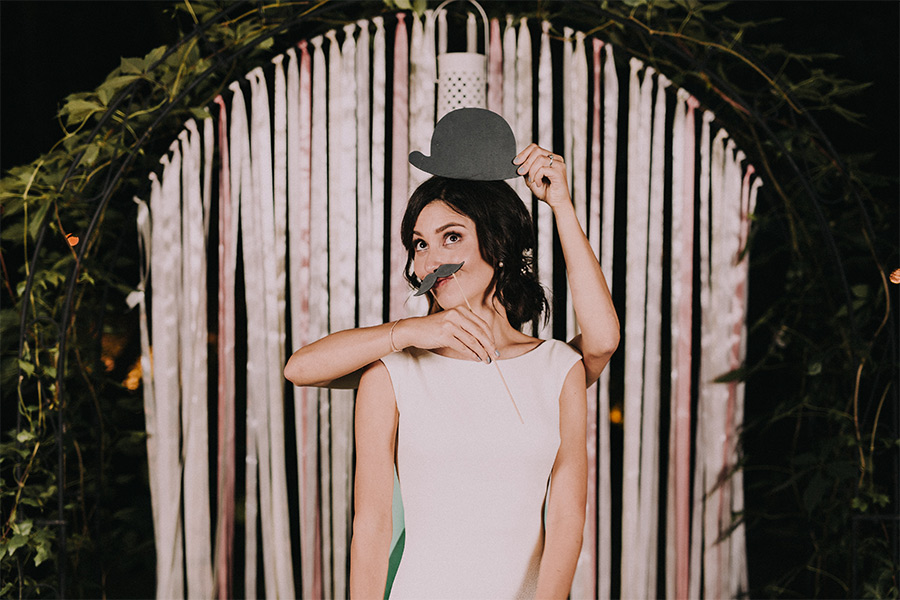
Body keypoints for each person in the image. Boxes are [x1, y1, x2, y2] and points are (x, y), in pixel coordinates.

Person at [284, 108, 619, 599]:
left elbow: (567, 520)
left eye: (452, 237)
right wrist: (412, 331)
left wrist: (561, 206)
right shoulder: (393, 373)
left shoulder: (558, 369)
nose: (430, 259)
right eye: (420, 244)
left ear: (498, 245)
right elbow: (371, 526)